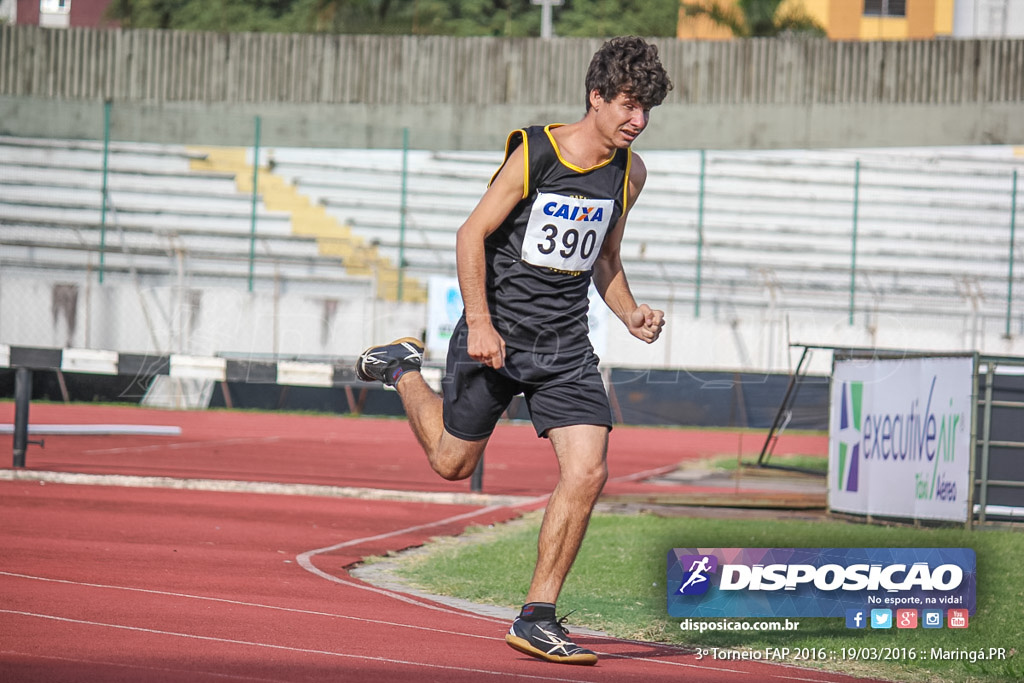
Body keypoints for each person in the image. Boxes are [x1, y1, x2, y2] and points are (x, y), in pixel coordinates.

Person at [356, 36, 672, 666]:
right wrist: (478, 323)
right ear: (597, 96)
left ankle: (537, 616)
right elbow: (470, 232)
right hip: (497, 335)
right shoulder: (536, 152)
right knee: (451, 462)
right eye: (630, 106)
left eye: (648, 110)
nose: (638, 121)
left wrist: (630, 310)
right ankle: (400, 368)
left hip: (566, 346)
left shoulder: (629, 173)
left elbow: (604, 257)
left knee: (588, 471)